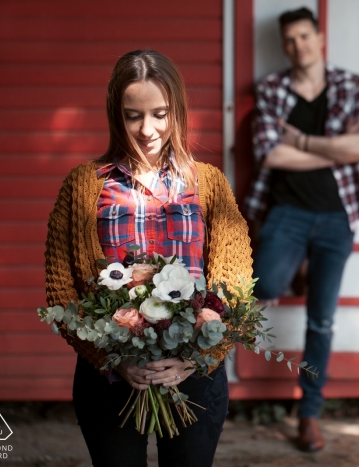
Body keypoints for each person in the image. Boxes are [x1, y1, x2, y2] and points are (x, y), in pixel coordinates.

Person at [44, 50, 252, 467]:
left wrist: (197, 359)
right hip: (110, 379)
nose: (147, 129)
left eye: (160, 113)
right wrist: (113, 360)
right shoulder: (85, 185)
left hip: (194, 375)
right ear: (115, 115)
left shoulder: (208, 184)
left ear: (177, 109)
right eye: (132, 115)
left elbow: (235, 284)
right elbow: (62, 290)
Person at [244, 7, 359, 452]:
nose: (298, 46)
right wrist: (337, 150)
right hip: (287, 210)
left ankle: (309, 414)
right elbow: (270, 154)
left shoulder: (350, 84)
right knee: (264, 285)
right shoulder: (272, 88)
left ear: (320, 38)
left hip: (338, 216)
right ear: (283, 46)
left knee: (322, 321)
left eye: (305, 36)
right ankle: (293, 269)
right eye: (290, 40)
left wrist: (298, 140)